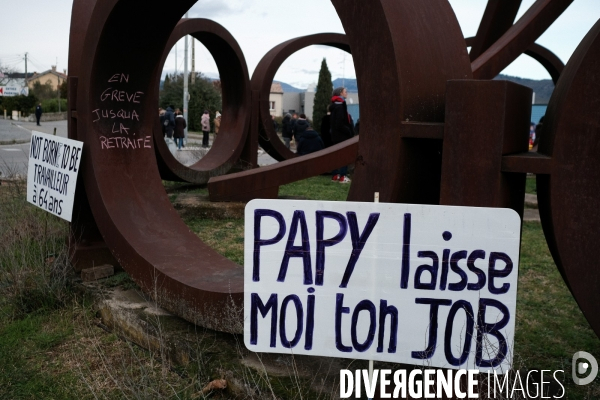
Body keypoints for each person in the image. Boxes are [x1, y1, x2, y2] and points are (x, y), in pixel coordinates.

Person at [329, 87, 353, 183]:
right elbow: (340, 123)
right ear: (340, 93)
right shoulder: (340, 106)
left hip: (335, 135)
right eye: (345, 92)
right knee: (344, 155)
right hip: (342, 135)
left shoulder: (335, 105)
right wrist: (348, 131)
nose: (347, 93)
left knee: (336, 155)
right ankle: (342, 176)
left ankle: (335, 175)